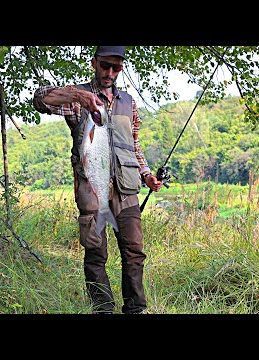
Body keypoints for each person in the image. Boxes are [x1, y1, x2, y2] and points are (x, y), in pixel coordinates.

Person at [32, 46, 163, 314]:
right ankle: (103, 309)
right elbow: (39, 99)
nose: (110, 72)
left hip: (126, 190)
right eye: (105, 65)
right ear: (94, 63)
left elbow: (134, 146)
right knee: (95, 254)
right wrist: (80, 95)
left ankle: (136, 308)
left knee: (134, 252)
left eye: (116, 67)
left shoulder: (128, 102)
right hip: (91, 190)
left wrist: (147, 175)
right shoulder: (76, 99)